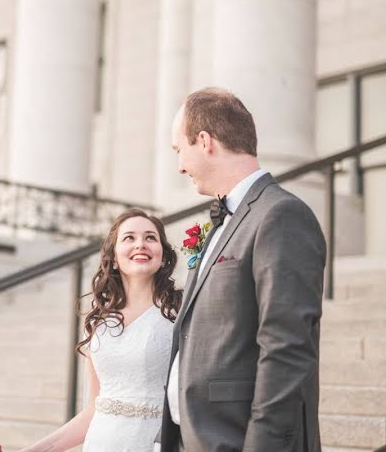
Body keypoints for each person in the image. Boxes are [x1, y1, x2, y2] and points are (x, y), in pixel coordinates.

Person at [156, 88, 326, 452]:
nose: (180, 166)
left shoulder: (280, 215)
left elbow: (287, 348)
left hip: (237, 440)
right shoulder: (223, 219)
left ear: (204, 142)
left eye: (178, 151)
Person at [20, 208, 183, 452]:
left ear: (162, 254)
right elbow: (92, 411)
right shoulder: (99, 324)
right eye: (129, 238)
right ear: (114, 257)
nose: (141, 244)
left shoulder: (177, 315)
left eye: (150, 237)